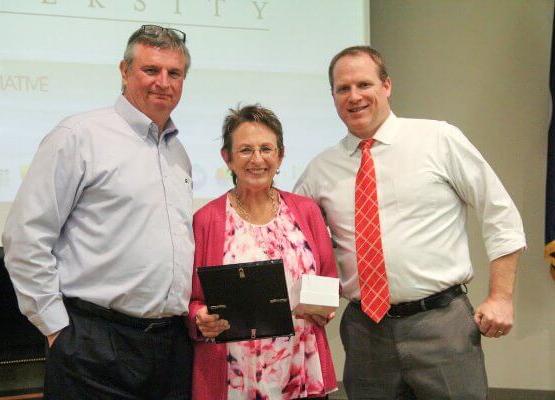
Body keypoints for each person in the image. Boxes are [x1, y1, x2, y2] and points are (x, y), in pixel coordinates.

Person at [294, 46, 526, 400]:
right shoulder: (320, 169)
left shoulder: (438, 139)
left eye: (364, 84)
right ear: (333, 97)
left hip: (442, 326)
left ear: (386, 85)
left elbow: (500, 212)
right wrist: (311, 300)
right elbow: (294, 242)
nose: (354, 96)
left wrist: (501, 297)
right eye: (343, 89)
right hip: (365, 335)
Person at [2, 25, 194, 399]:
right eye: (151, 70)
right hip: (94, 346)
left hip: (170, 348)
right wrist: (56, 329)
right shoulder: (78, 135)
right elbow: (25, 237)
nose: (163, 82)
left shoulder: (177, 152)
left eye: (174, 73)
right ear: (124, 71)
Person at [187, 104, 338, 400]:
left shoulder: (306, 211)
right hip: (234, 378)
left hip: (300, 371)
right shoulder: (206, 220)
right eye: (245, 150)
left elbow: (329, 279)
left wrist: (323, 308)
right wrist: (199, 317)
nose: (257, 159)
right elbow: (191, 300)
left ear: (280, 156)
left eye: (266, 149)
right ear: (227, 157)